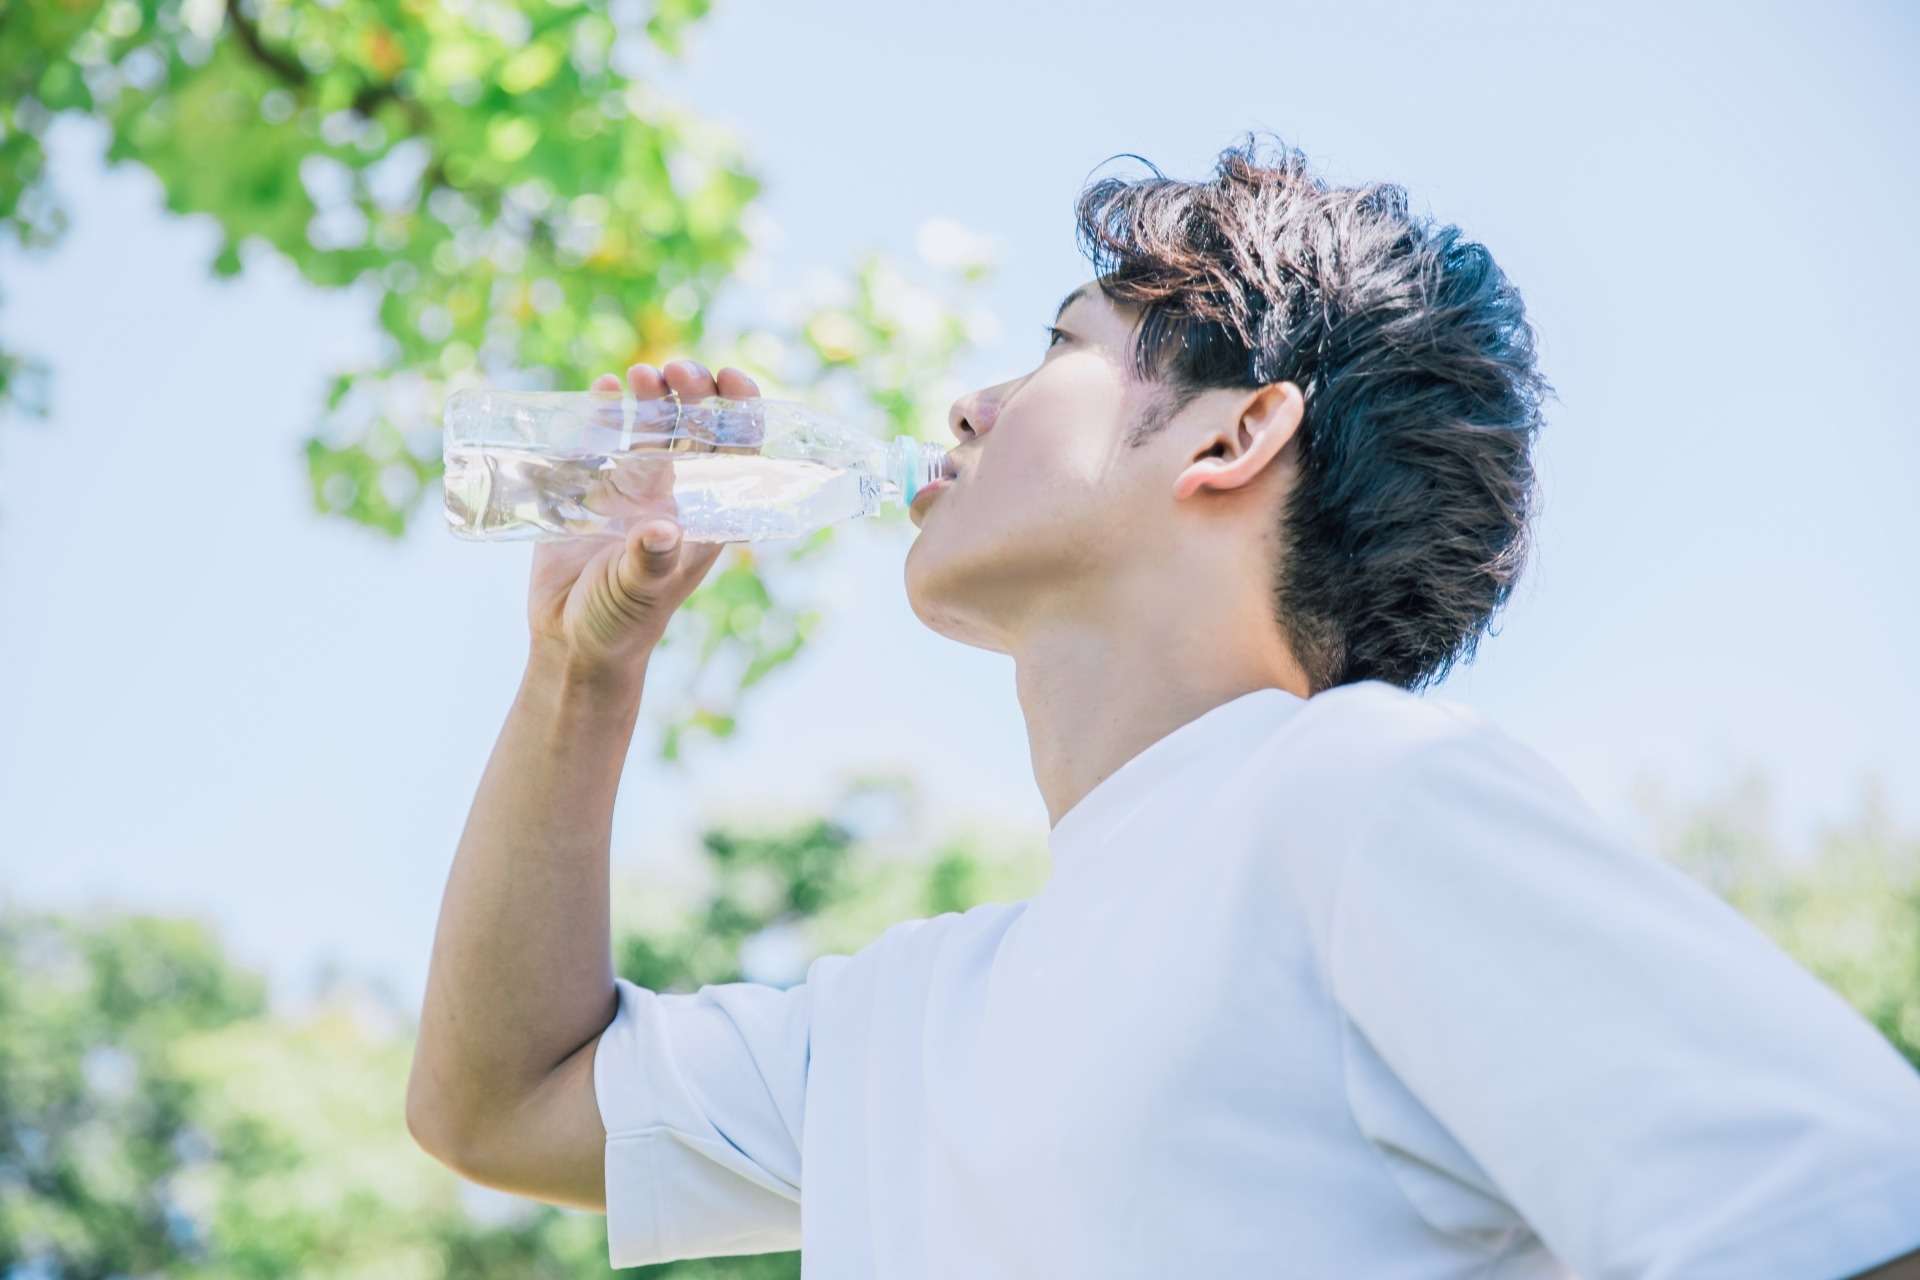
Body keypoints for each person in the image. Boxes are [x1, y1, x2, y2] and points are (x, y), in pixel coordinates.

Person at [406, 133, 1920, 1277]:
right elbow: (497, 1105)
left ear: (1235, 436)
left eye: (1062, 346)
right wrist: (580, 670)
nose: (968, 405)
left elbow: (1846, 1214)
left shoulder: (1359, 796)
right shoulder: (903, 1022)